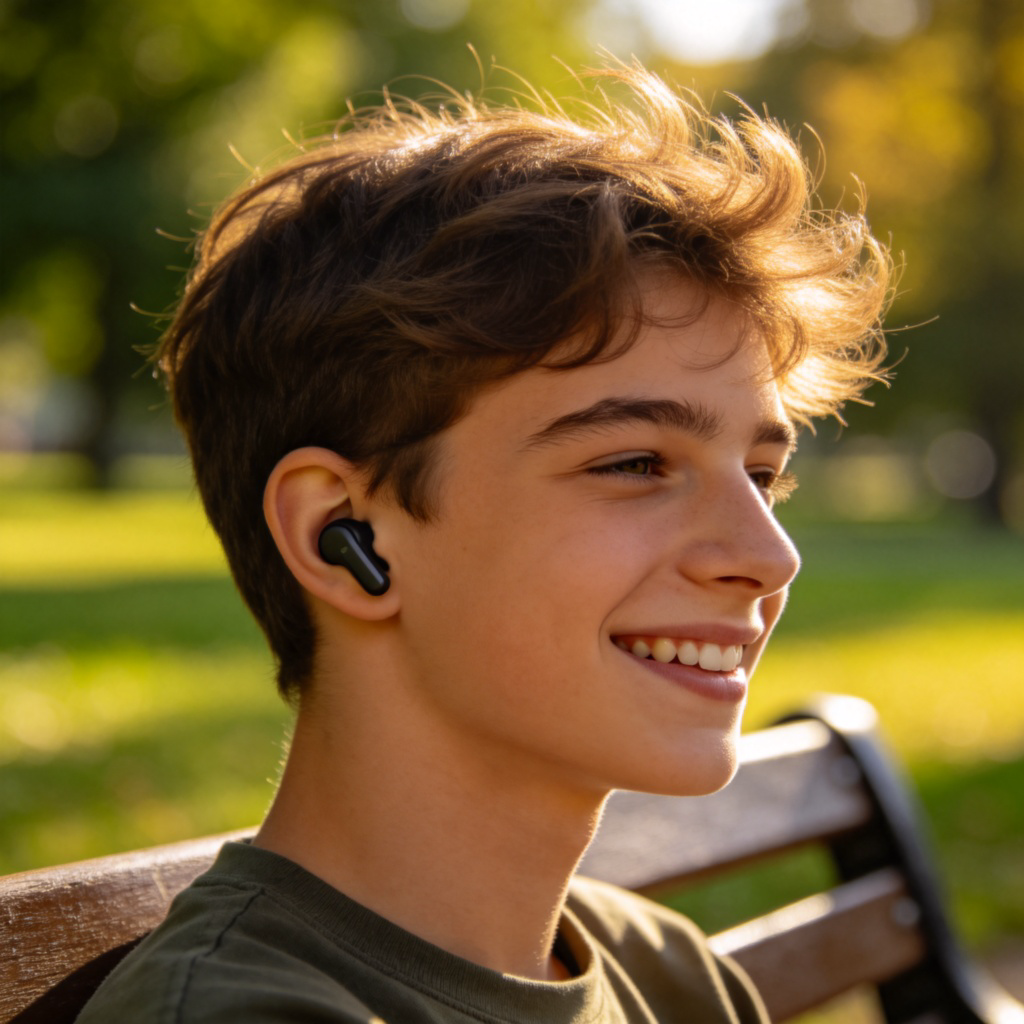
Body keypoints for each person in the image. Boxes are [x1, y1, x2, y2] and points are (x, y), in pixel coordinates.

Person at [77, 62, 891, 1023]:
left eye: (760, 475)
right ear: (342, 532)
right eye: (633, 464)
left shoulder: (668, 972)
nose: (769, 556)